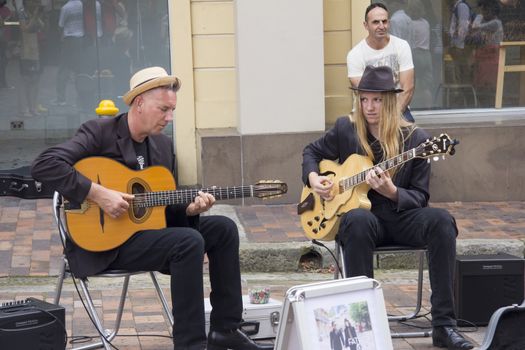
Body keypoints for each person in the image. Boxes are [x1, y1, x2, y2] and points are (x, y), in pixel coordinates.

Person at [31, 66, 273, 350]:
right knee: (188, 242)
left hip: (145, 234)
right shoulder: (99, 133)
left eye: (172, 110)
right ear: (139, 103)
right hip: (103, 244)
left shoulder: (162, 145)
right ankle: (190, 344)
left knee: (224, 229)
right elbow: (44, 165)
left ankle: (225, 328)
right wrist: (99, 194)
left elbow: (163, 209)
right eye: (163, 109)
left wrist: (190, 210)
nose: (169, 118)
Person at [301, 65, 474, 350]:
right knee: (356, 220)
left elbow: (420, 196)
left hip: (401, 218)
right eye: (364, 99)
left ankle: (444, 325)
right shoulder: (346, 129)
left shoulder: (417, 140)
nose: (369, 107)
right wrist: (314, 178)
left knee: (442, 221)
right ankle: (362, 328)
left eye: (377, 100)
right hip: (365, 221)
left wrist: (392, 192)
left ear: (390, 101)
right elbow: (311, 151)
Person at [346, 3, 415, 122]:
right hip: (367, 111)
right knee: (351, 135)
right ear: (366, 25)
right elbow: (365, 93)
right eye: (376, 22)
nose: (381, 26)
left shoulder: (401, 46)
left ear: (389, 23)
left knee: (411, 135)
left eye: (384, 21)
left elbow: (407, 88)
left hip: (397, 109)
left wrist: (392, 117)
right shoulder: (355, 54)